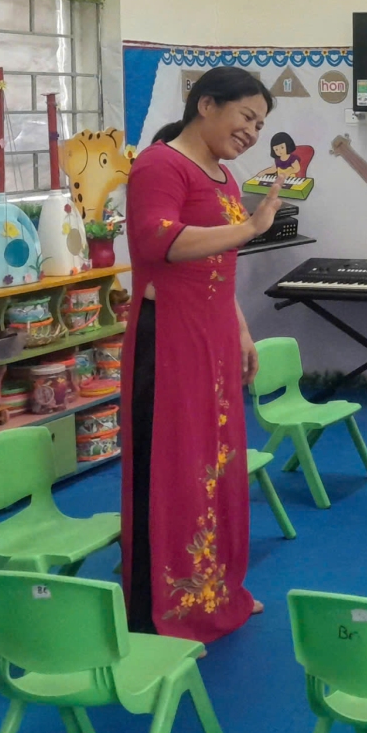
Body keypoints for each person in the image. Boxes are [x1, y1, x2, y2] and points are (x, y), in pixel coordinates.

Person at [121, 66, 283, 642]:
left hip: (212, 339)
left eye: (260, 125)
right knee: (173, 467)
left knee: (215, 466)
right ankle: (162, 603)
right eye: (247, 117)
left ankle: (213, 588)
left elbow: (218, 267)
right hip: (169, 339)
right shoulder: (159, 164)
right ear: (207, 104)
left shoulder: (224, 176)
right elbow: (158, 241)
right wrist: (252, 228)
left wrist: (240, 329)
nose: (252, 133)